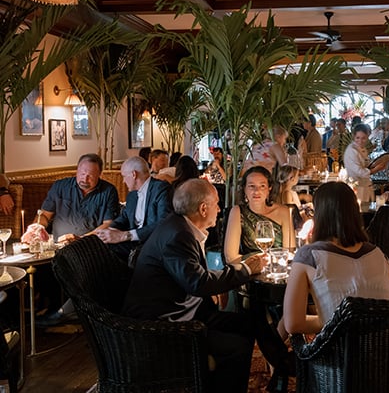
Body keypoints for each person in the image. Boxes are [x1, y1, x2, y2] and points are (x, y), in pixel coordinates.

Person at [122, 179, 266, 392]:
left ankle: (282, 363)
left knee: (253, 322)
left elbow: (194, 276)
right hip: (163, 325)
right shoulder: (177, 235)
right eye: (216, 203)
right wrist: (245, 270)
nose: (219, 209)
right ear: (203, 208)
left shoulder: (181, 226)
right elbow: (198, 283)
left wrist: (221, 283)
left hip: (187, 310)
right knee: (237, 347)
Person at [282, 181, 389, 334]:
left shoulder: (309, 256)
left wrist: (329, 320)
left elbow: (293, 324)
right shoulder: (378, 254)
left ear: (320, 214)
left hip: (341, 353)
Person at [31, 153, 120, 326]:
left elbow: (109, 224)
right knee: (38, 269)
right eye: (81, 173)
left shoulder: (108, 191)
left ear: (100, 175)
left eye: (90, 176)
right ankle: (40, 311)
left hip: (89, 247)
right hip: (56, 246)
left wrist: (81, 239)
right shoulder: (60, 186)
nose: (84, 178)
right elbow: (45, 215)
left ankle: (62, 314)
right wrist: (37, 227)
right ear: (76, 170)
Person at [95, 156, 172, 265]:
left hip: (153, 244)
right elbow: (125, 217)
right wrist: (109, 229)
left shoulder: (161, 189)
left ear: (134, 174)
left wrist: (126, 235)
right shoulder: (132, 196)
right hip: (133, 244)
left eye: (124, 176)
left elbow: (164, 223)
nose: (123, 181)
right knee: (99, 247)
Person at [224, 166, 294, 265]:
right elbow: (230, 257)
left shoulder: (284, 212)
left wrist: (273, 262)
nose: (256, 191)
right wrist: (261, 262)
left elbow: (289, 251)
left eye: (262, 186)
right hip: (250, 272)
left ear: (269, 188)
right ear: (244, 189)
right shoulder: (238, 212)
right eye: (251, 186)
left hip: (279, 268)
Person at [343, 123, 386, 204]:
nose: (360, 141)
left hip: (366, 186)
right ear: (353, 136)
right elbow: (359, 171)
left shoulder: (363, 148)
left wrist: (376, 164)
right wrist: (376, 169)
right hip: (356, 187)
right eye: (358, 138)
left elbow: (366, 163)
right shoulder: (351, 150)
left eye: (363, 138)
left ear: (367, 137)